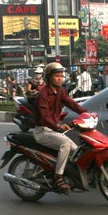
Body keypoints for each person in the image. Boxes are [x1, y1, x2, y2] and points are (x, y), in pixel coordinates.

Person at [33, 62, 87, 192]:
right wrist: (58, 127)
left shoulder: (60, 92)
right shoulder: (43, 95)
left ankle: (70, 175)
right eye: (57, 76)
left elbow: (72, 104)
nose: (60, 79)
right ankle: (58, 177)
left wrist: (85, 113)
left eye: (61, 76)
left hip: (54, 132)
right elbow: (45, 118)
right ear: (49, 77)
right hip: (43, 131)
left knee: (77, 151)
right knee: (65, 144)